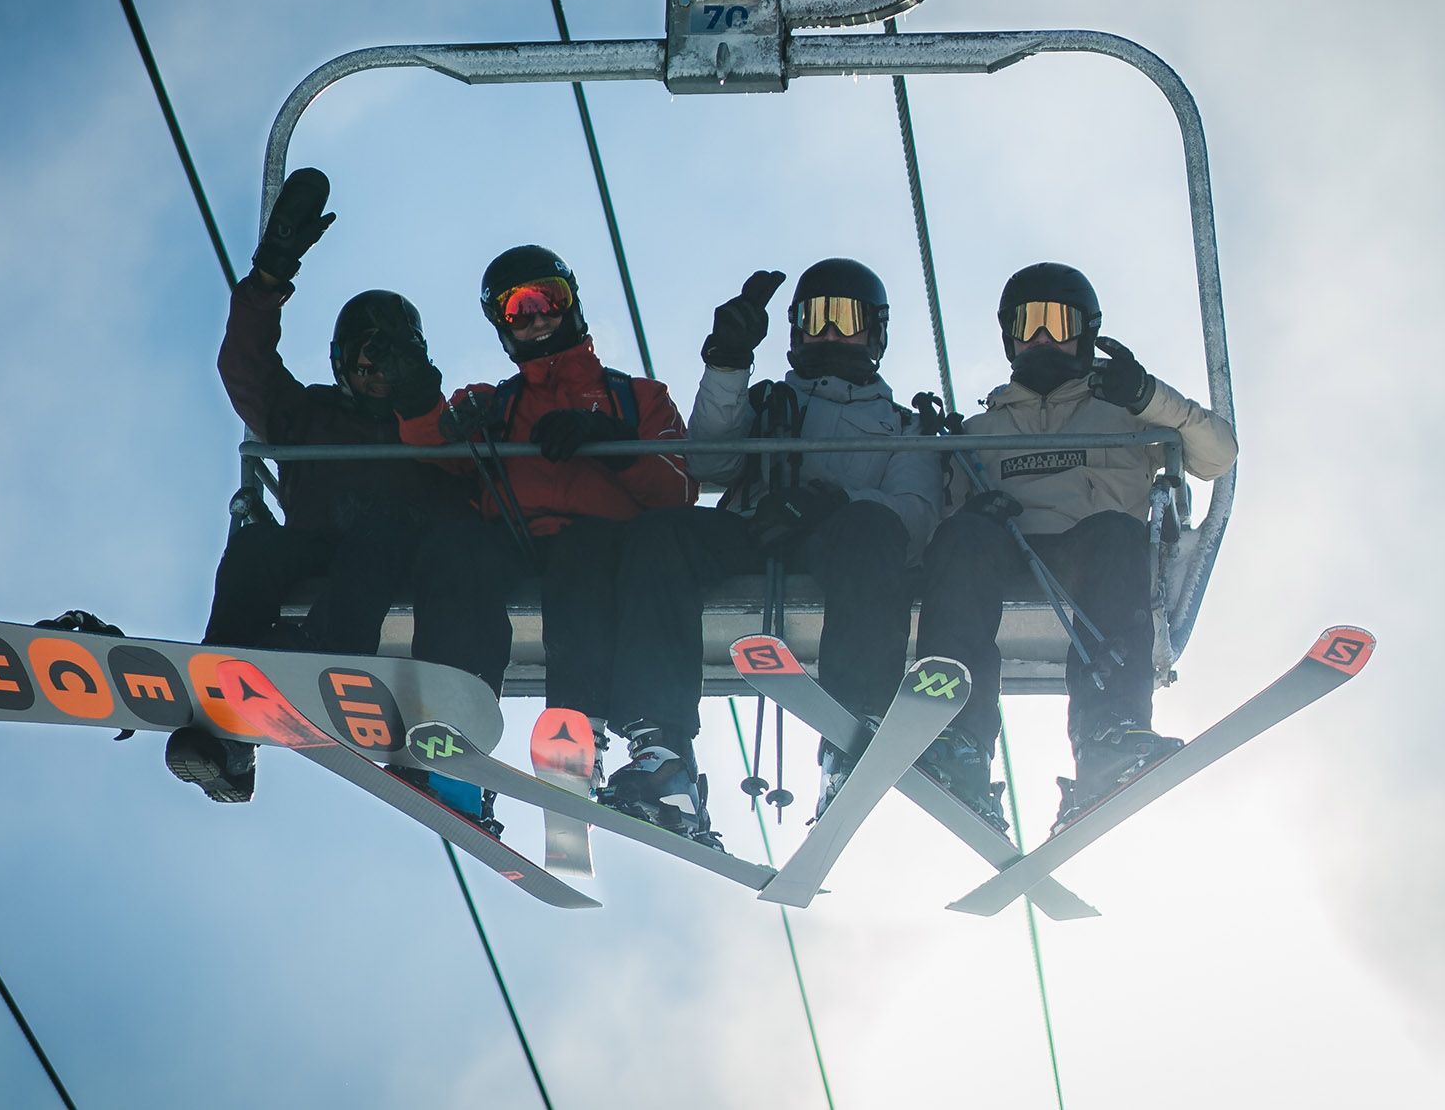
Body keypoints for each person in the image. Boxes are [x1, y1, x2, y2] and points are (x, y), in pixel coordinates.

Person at [166, 166, 478, 805]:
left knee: (382, 532)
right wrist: (271, 274)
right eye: (364, 357)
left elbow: (468, 475)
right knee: (259, 546)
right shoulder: (306, 412)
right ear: (340, 362)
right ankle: (226, 716)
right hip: (320, 547)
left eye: (391, 356)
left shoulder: (430, 421)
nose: (376, 371)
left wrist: (420, 394)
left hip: (404, 563)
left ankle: (327, 660)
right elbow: (245, 367)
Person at [395, 246, 707, 839]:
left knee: (581, 554)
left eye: (548, 300)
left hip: (605, 546)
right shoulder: (496, 404)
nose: (537, 317)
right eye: (519, 309)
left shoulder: (635, 398)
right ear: (502, 325)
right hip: (515, 540)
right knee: (456, 550)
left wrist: (610, 443)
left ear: (571, 303)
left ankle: (577, 727)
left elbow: (676, 493)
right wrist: (416, 394)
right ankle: (457, 733)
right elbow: (433, 441)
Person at [914, 261, 1238, 828]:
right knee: (962, 539)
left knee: (1119, 535)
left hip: (1086, 558)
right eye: (1028, 324)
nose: (1042, 337)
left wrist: (1148, 397)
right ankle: (956, 739)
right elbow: (934, 525)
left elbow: (1217, 456)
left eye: (1057, 323)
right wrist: (971, 512)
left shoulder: (1126, 416)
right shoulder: (978, 432)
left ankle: (1109, 734)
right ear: (1010, 336)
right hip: (1004, 553)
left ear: (1085, 332)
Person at [647, 259, 943, 819]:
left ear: (875, 331)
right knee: (662, 534)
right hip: (757, 530)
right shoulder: (762, 403)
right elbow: (709, 460)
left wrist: (834, 500)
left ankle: (852, 730)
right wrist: (728, 364)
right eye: (816, 317)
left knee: (874, 531)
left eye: (845, 318)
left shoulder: (904, 427)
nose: (829, 331)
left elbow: (916, 518)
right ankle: (660, 746)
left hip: (841, 545)